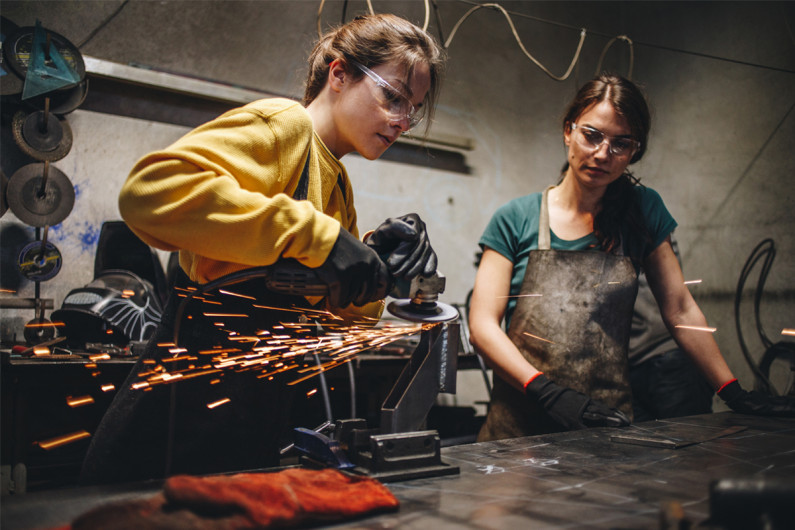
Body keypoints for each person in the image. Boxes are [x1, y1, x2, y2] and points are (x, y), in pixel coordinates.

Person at [80, 13, 446, 484]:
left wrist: (375, 266)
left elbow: (346, 319)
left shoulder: (337, 184)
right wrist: (318, 237)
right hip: (174, 421)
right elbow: (149, 193)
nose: (401, 120)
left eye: (411, 108)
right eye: (392, 96)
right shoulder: (285, 126)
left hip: (246, 422)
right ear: (339, 75)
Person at [468, 73, 795, 441]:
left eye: (620, 144)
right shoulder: (516, 218)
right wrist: (546, 391)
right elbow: (482, 325)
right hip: (519, 427)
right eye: (591, 135)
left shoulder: (642, 211)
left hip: (604, 428)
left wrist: (731, 390)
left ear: (634, 150)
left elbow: (681, 309)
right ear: (567, 131)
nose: (602, 154)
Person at [628, 234, 713, 421]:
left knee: (694, 443)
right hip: (627, 369)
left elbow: (679, 307)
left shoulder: (639, 214)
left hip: (669, 360)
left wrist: (732, 391)